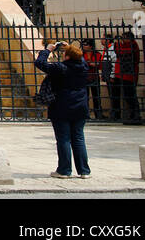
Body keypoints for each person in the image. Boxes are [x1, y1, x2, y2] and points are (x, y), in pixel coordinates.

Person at [35, 40, 91, 178]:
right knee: (78, 138)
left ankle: (64, 170)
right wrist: (71, 48)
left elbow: (40, 63)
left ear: (67, 57)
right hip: (80, 106)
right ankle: (84, 170)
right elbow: (80, 58)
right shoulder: (83, 67)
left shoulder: (61, 68)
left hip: (62, 106)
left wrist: (47, 50)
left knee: (64, 139)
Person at [114, 31, 141, 123]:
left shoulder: (132, 45)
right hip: (123, 73)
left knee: (130, 95)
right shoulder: (127, 45)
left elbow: (121, 52)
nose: (123, 40)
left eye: (124, 38)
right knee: (126, 95)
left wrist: (117, 43)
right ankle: (132, 115)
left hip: (129, 74)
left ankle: (136, 115)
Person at [80, 38, 103, 119]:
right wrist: (91, 63)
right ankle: (85, 115)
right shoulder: (81, 55)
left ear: (90, 46)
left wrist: (88, 63)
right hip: (84, 77)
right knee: (85, 98)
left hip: (94, 77)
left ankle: (98, 115)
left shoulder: (97, 54)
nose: (83, 46)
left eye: (85, 44)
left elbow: (99, 64)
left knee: (96, 97)